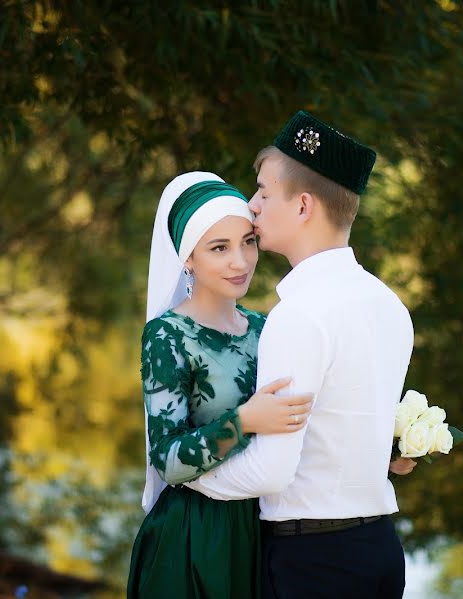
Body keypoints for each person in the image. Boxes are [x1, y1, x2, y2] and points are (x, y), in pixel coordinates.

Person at [184, 111, 416, 598]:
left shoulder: (299, 316)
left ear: (304, 205)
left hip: (313, 564)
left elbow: (272, 470)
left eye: (265, 192)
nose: (253, 205)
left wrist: (187, 476)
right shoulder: (391, 307)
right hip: (380, 552)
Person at [127, 171, 314, 598]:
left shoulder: (267, 328)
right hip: (193, 537)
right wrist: (243, 421)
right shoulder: (168, 336)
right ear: (187, 259)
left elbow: (304, 417)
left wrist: (386, 452)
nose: (241, 261)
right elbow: (167, 459)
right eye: (219, 248)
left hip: (262, 529)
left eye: (248, 242)